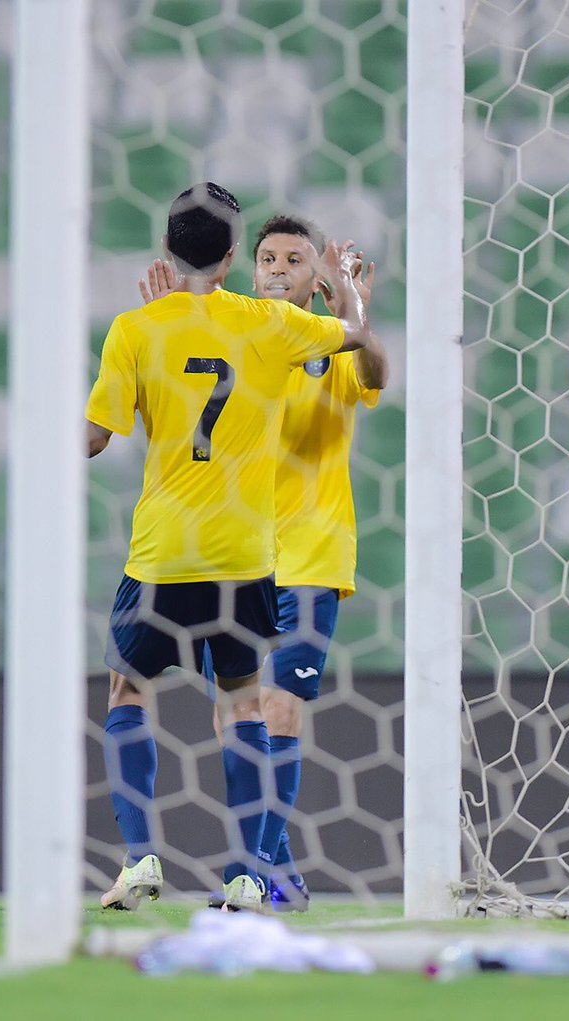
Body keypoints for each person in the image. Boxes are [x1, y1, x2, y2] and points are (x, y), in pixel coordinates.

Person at [87, 183, 371, 912]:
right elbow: (351, 336)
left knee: (128, 692)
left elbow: (92, 440)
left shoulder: (136, 328)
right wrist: (347, 292)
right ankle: (248, 874)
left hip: (161, 553)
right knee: (244, 707)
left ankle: (140, 860)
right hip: (246, 556)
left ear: (166, 248)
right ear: (236, 257)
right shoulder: (270, 324)